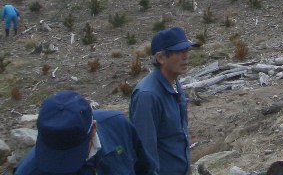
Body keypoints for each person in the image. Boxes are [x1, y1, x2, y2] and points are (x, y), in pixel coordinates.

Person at [15, 91, 152, 175]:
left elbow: (145, 169)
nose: (64, 166)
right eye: (55, 155)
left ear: (93, 129)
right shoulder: (28, 171)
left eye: (73, 154)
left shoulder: (118, 127)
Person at [130, 27, 200, 175]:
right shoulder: (147, 96)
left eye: (187, 50)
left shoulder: (175, 85)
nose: (185, 56)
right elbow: (145, 153)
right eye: (178, 52)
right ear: (160, 58)